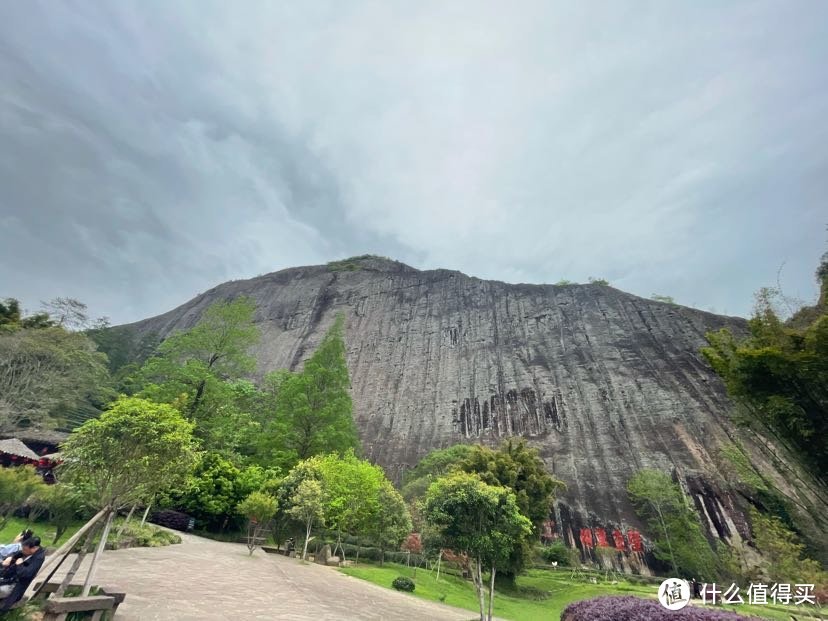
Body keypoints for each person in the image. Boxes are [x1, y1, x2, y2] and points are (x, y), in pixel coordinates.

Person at [0, 536, 45, 611]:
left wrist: (19, 565)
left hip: (15, 586)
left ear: (33, 548)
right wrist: (10, 557)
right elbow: (18, 553)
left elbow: (26, 575)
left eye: (24, 549)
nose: (22, 551)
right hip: (7, 578)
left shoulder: (38, 558)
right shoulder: (27, 551)